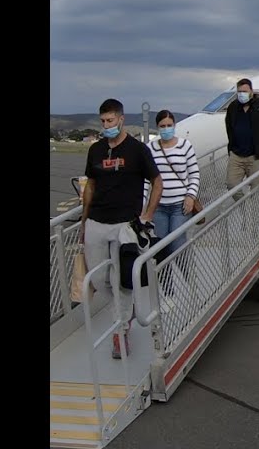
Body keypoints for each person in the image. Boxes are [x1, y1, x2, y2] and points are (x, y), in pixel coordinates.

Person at [81, 98, 162, 359]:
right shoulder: (96, 150)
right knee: (99, 279)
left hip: (124, 225)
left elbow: (157, 181)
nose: (106, 126)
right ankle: (125, 312)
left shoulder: (137, 150)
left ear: (121, 119)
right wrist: (84, 221)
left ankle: (121, 331)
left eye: (110, 121)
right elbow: (91, 185)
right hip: (96, 222)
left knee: (122, 280)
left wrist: (147, 216)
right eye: (103, 121)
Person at [145, 110, 200, 252]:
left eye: (169, 125)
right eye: (162, 126)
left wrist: (191, 196)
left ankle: (186, 267)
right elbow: (145, 179)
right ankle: (169, 269)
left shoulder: (185, 145)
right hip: (158, 206)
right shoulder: (150, 148)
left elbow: (194, 174)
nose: (166, 129)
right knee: (161, 246)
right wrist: (143, 203)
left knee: (177, 244)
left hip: (180, 205)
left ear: (174, 125)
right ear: (157, 127)